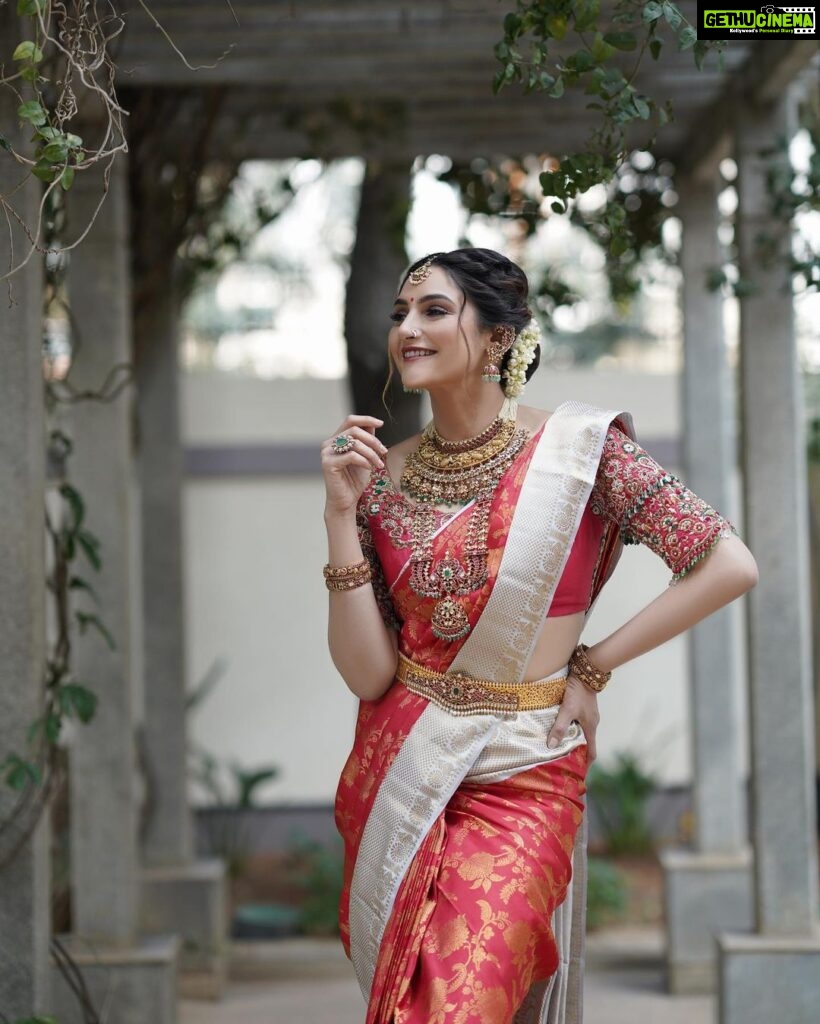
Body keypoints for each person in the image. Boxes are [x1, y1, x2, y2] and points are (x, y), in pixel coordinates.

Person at [321, 247, 758, 1024]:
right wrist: (337, 520)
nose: (407, 330)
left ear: (496, 338)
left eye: (432, 310)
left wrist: (593, 667)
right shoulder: (381, 478)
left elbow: (727, 563)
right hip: (405, 765)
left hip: (523, 772)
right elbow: (367, 675)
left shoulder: (582, 455)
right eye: (399, 315)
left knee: (460, 1004)